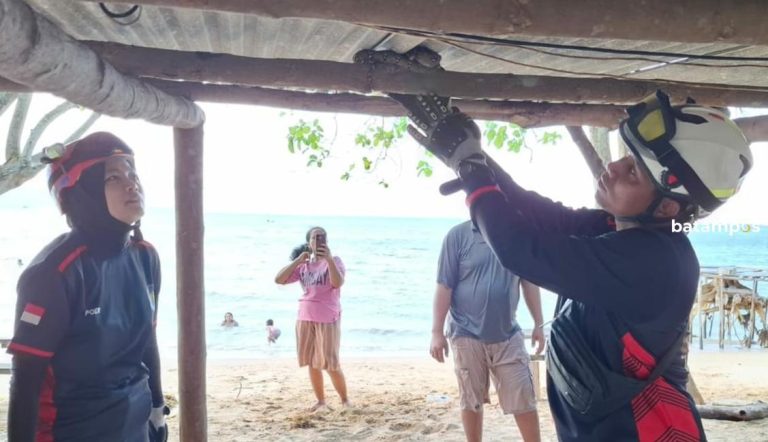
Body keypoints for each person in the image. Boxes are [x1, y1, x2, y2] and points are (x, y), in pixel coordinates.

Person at [397, 90, 752, 441]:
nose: (612, 167)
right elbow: (536, 213)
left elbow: (519, 249)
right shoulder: (620, 230)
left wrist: (470, 164)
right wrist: (469, 154)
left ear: (667, 209)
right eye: (626, 157)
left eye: (632, 172)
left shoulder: (655, 263)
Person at [7, 132, 169, 441]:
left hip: (133, 422)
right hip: (72, 429)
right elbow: (26, 380)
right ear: (83, 192)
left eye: (132, 174)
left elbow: (147, 340)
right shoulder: (54, 273)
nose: (132, 184)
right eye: (112, 178)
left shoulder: (146, 257)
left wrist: (157, 408)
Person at [431, 220, 545, 442]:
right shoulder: (457, 236)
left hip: (508, 334)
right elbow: (444, 285)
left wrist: (538, 323)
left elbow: (529, 281)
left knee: (523, 397)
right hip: (465, 334)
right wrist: (436, 332)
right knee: (471, 400)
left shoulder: (517, 235)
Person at [274, 227, 350, 411]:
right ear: (309, 242)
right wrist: (298, 261)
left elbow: (337, 283)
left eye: (322, 237)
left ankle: (345, 401)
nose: (319, 240)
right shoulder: (303, 265)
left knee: (330, 363)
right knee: (311, 362)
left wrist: (329, 259)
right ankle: (321, 401)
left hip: (327, 317)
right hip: (305, 316)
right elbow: (279, 279)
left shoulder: (335, 260)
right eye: (315, 238)